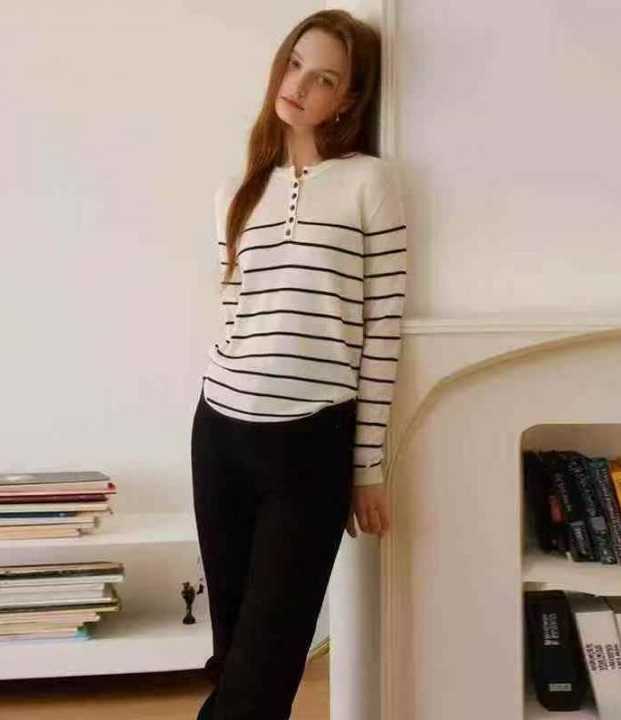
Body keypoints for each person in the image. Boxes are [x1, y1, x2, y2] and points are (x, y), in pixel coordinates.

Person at [191, 8, 407, 719]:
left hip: (311, 444)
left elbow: (381, 331)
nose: (301, 86)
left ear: (348, 98)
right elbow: (234, 311)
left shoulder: (370, 183)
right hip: (219, 432)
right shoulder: (237, 191)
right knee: (235, 656)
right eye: (295, 65)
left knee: (265, 667)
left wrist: (366, 466)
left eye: (325, 79)